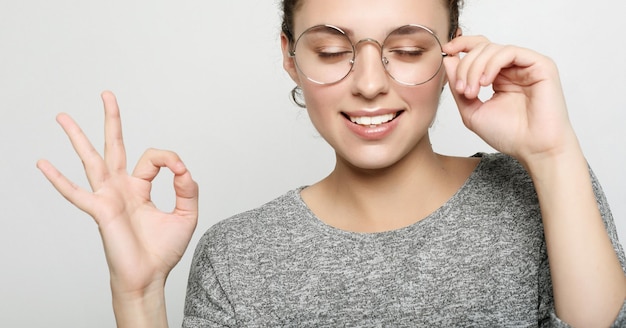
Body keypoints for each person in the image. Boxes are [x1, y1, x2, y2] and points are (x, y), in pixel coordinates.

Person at [37, 0, 626, 326]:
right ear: (291, 59)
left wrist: (551, 154)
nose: (369, 83)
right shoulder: (237, 259)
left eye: (407, 49)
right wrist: (137, 296)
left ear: (452, 50)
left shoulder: (546, 186)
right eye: (331, 51)